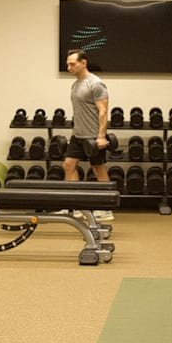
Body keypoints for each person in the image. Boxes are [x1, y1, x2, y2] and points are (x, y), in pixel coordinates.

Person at [63, 49, 114, 221]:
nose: (68, 67)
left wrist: (101, 136)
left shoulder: (96, 84)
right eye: (68, 64)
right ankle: (75, 207)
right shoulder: (76, 84)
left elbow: (103, 110)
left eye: (72, 64)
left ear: (83, 63)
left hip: (93, 135)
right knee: (69, 165)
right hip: (78, 134)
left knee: (98, 169)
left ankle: (106, 209)